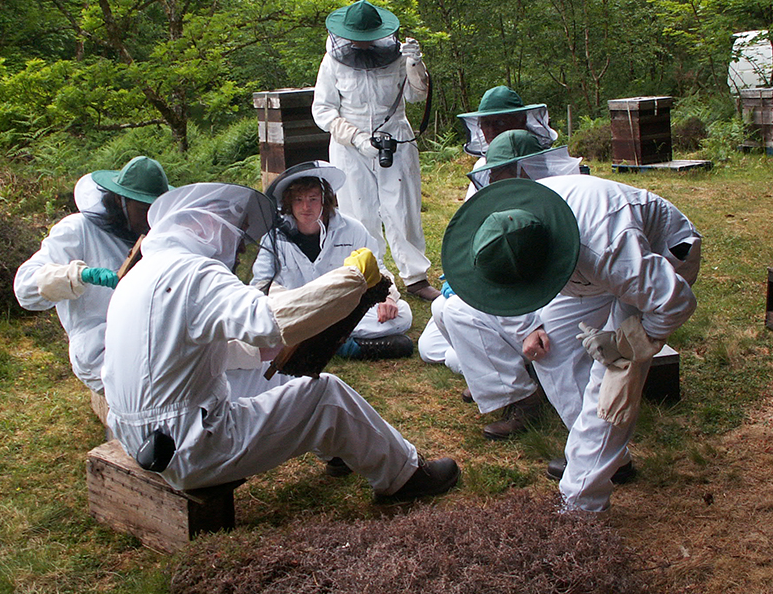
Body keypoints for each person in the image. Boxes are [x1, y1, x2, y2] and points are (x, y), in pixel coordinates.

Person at [101, 182, 461, 502]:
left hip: (141, 438)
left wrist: (267, 352)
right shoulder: (194, 273)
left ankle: (337, 444)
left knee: (288, 374)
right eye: (238, 234)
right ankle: (403, 476)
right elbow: (270, 320)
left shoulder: (144, 272)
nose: (240, 247)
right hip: (191, 445)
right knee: (324, 394)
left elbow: (192, 348)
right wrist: (351, 279)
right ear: (209, 227)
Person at [440, 130, 701, 512]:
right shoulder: (516, 220)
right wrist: (532, 325)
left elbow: (674, 300)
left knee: (612, 380)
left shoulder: (611, 251)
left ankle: (582, 502)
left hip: (663, 256)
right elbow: (520, 275)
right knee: (550, 350)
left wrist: (632, 340)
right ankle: (606, 456)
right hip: (579, 269)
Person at [416, 108, 581, 439]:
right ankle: (497, 380)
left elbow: (538, 290)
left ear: (523, 168)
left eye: (500, 171)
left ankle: (525, 398)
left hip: (565, 312)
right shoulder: (521, 198)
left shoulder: (558, 206)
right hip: (537, 304)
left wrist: (517, 318)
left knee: (463, 311)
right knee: (444, 309)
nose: (491, 180)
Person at [14, 156, 171, 417]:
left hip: (151, 339)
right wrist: (79, 276)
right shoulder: (77, 229)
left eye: (156, 207)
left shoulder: (153, 236)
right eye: (143, 207)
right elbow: (25, 289)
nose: (150, 216)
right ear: (121, 201)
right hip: (99, 349)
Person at [311, 0, 439, 301]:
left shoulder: (396, 57)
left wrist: (415, 65)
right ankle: (373, 275)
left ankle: (416, 277)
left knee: (402, 207)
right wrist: (355, 137)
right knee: (358, 209)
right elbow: (323, 110)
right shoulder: (332, 62)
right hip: (350, 146)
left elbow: (417, 96)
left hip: (395, 137)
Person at [251, 161, 414, 360]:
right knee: (266, 320)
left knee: (402, 314)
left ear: (324, 200)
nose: (306, 207)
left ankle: (310, 341)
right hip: (296, 309)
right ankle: (345, 346)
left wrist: (388, 298)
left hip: (342, 309)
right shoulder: (274, 236)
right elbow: (260, 282)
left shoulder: (352, 229)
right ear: (288, 203)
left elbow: (377, 269)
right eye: (298, 199)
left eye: (313, 199)